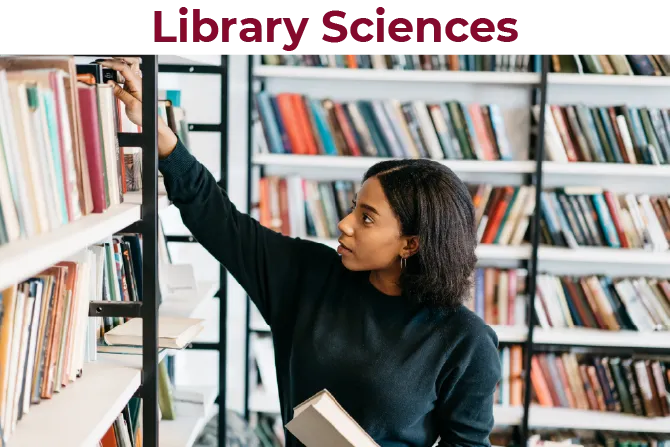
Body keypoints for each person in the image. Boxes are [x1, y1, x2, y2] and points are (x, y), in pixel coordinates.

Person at [99, 58, 502, 447]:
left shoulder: (465, 341)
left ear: (410, 243)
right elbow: (221, 222)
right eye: (352, 208)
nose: (344, 224)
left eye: (366, 218)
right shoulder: (308, 277)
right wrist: (164, 140)